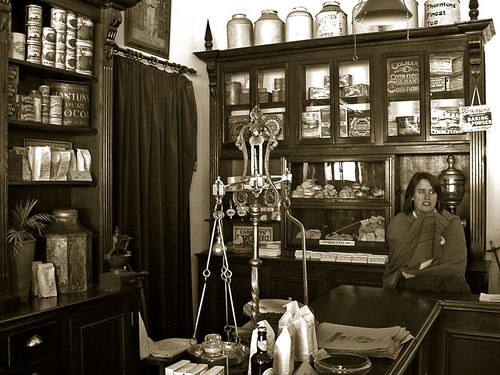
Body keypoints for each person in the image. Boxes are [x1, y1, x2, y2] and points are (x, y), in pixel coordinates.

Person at [383, 172, 471, 294]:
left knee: (456, 284)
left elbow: (455, 268)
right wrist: (433, 263)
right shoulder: (399, 223)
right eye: (421, 192)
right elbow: (404, 264)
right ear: (412, 196)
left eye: (432, 192)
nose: (427, 197)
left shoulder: (451, 222)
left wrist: (415, 271)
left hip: (444, 284)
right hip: (410, 286)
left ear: (437, 196)